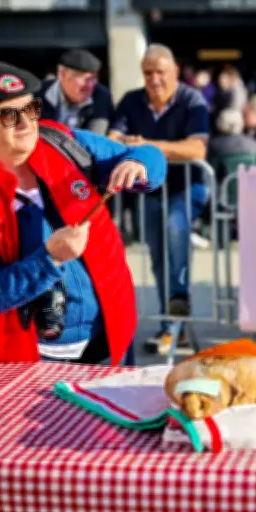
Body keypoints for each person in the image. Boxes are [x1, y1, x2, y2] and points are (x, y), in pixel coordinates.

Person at [0, 61, 166, 365]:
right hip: (33, 357)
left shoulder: (65, 143)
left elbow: (149, 155)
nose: (25, 123)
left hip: (110, 335)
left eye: (30, 109)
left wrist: (139, 164)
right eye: (9, 115)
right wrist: (50, 258)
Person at [109, 44, 210, 355]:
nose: (154, 79)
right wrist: (131, 143)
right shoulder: (131, 100)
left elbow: (197, 150)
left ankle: (175, 318)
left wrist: (147, 146)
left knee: (175, 232)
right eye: (148, 73)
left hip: (186, 187)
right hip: (150, 188)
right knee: (156, 254)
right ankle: (171, 323)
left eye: (160, 72)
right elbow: (113, 139)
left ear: (175, 72)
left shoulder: (193, 100)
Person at [37, 49, 114, 136]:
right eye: (83, 77)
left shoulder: (101, 96)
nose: (89, 85)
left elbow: (95, 138)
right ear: (62, 74)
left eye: (92, 79)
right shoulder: (39, 93)